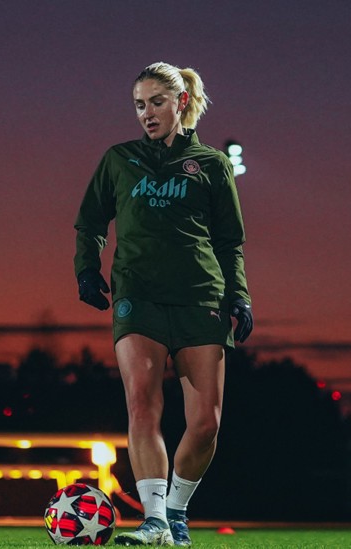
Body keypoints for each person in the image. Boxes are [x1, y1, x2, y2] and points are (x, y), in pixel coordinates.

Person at [74, 61, 253, 546]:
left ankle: (175, 511)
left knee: (206, 423)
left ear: (182, 103)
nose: (146, 114)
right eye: (139, 105)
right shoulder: (119, 158)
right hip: (138, 296)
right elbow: (89, 222)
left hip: (201, 299)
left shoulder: (212, 165)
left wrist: (239, 294)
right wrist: (86, 269)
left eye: (156, 102)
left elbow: (229, 240)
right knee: (142, 404)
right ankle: (152, 519)